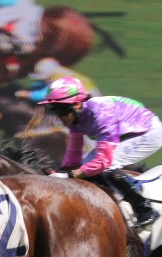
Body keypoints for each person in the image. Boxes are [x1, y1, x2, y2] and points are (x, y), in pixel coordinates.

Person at [42, 76, 162, 227]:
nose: (58, 116)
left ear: (77, 104)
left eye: (60, 110)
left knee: (106, 165)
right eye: (53, 110)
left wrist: (70, 175)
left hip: (148, 132)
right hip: (126, 133)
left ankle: (144, 208)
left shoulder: (101, 113)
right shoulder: (75, 118)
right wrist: (60, 174)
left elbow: (103, 161)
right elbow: (73, 155)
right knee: (87, 166)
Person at [16, 58, 101, 104]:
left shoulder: (60, 79)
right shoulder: (57, 72)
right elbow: (45, 84)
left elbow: (46, 95)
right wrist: (31, 89)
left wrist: (28, 95)